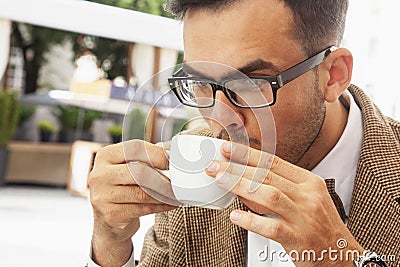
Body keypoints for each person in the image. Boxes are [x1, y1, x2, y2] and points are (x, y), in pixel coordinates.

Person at [87, 0, 400, 266]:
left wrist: (346, 260)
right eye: (200, 83)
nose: (222, 121)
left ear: (334, 74)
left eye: (250, 84)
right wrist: (110, 243)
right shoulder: (192, 170)